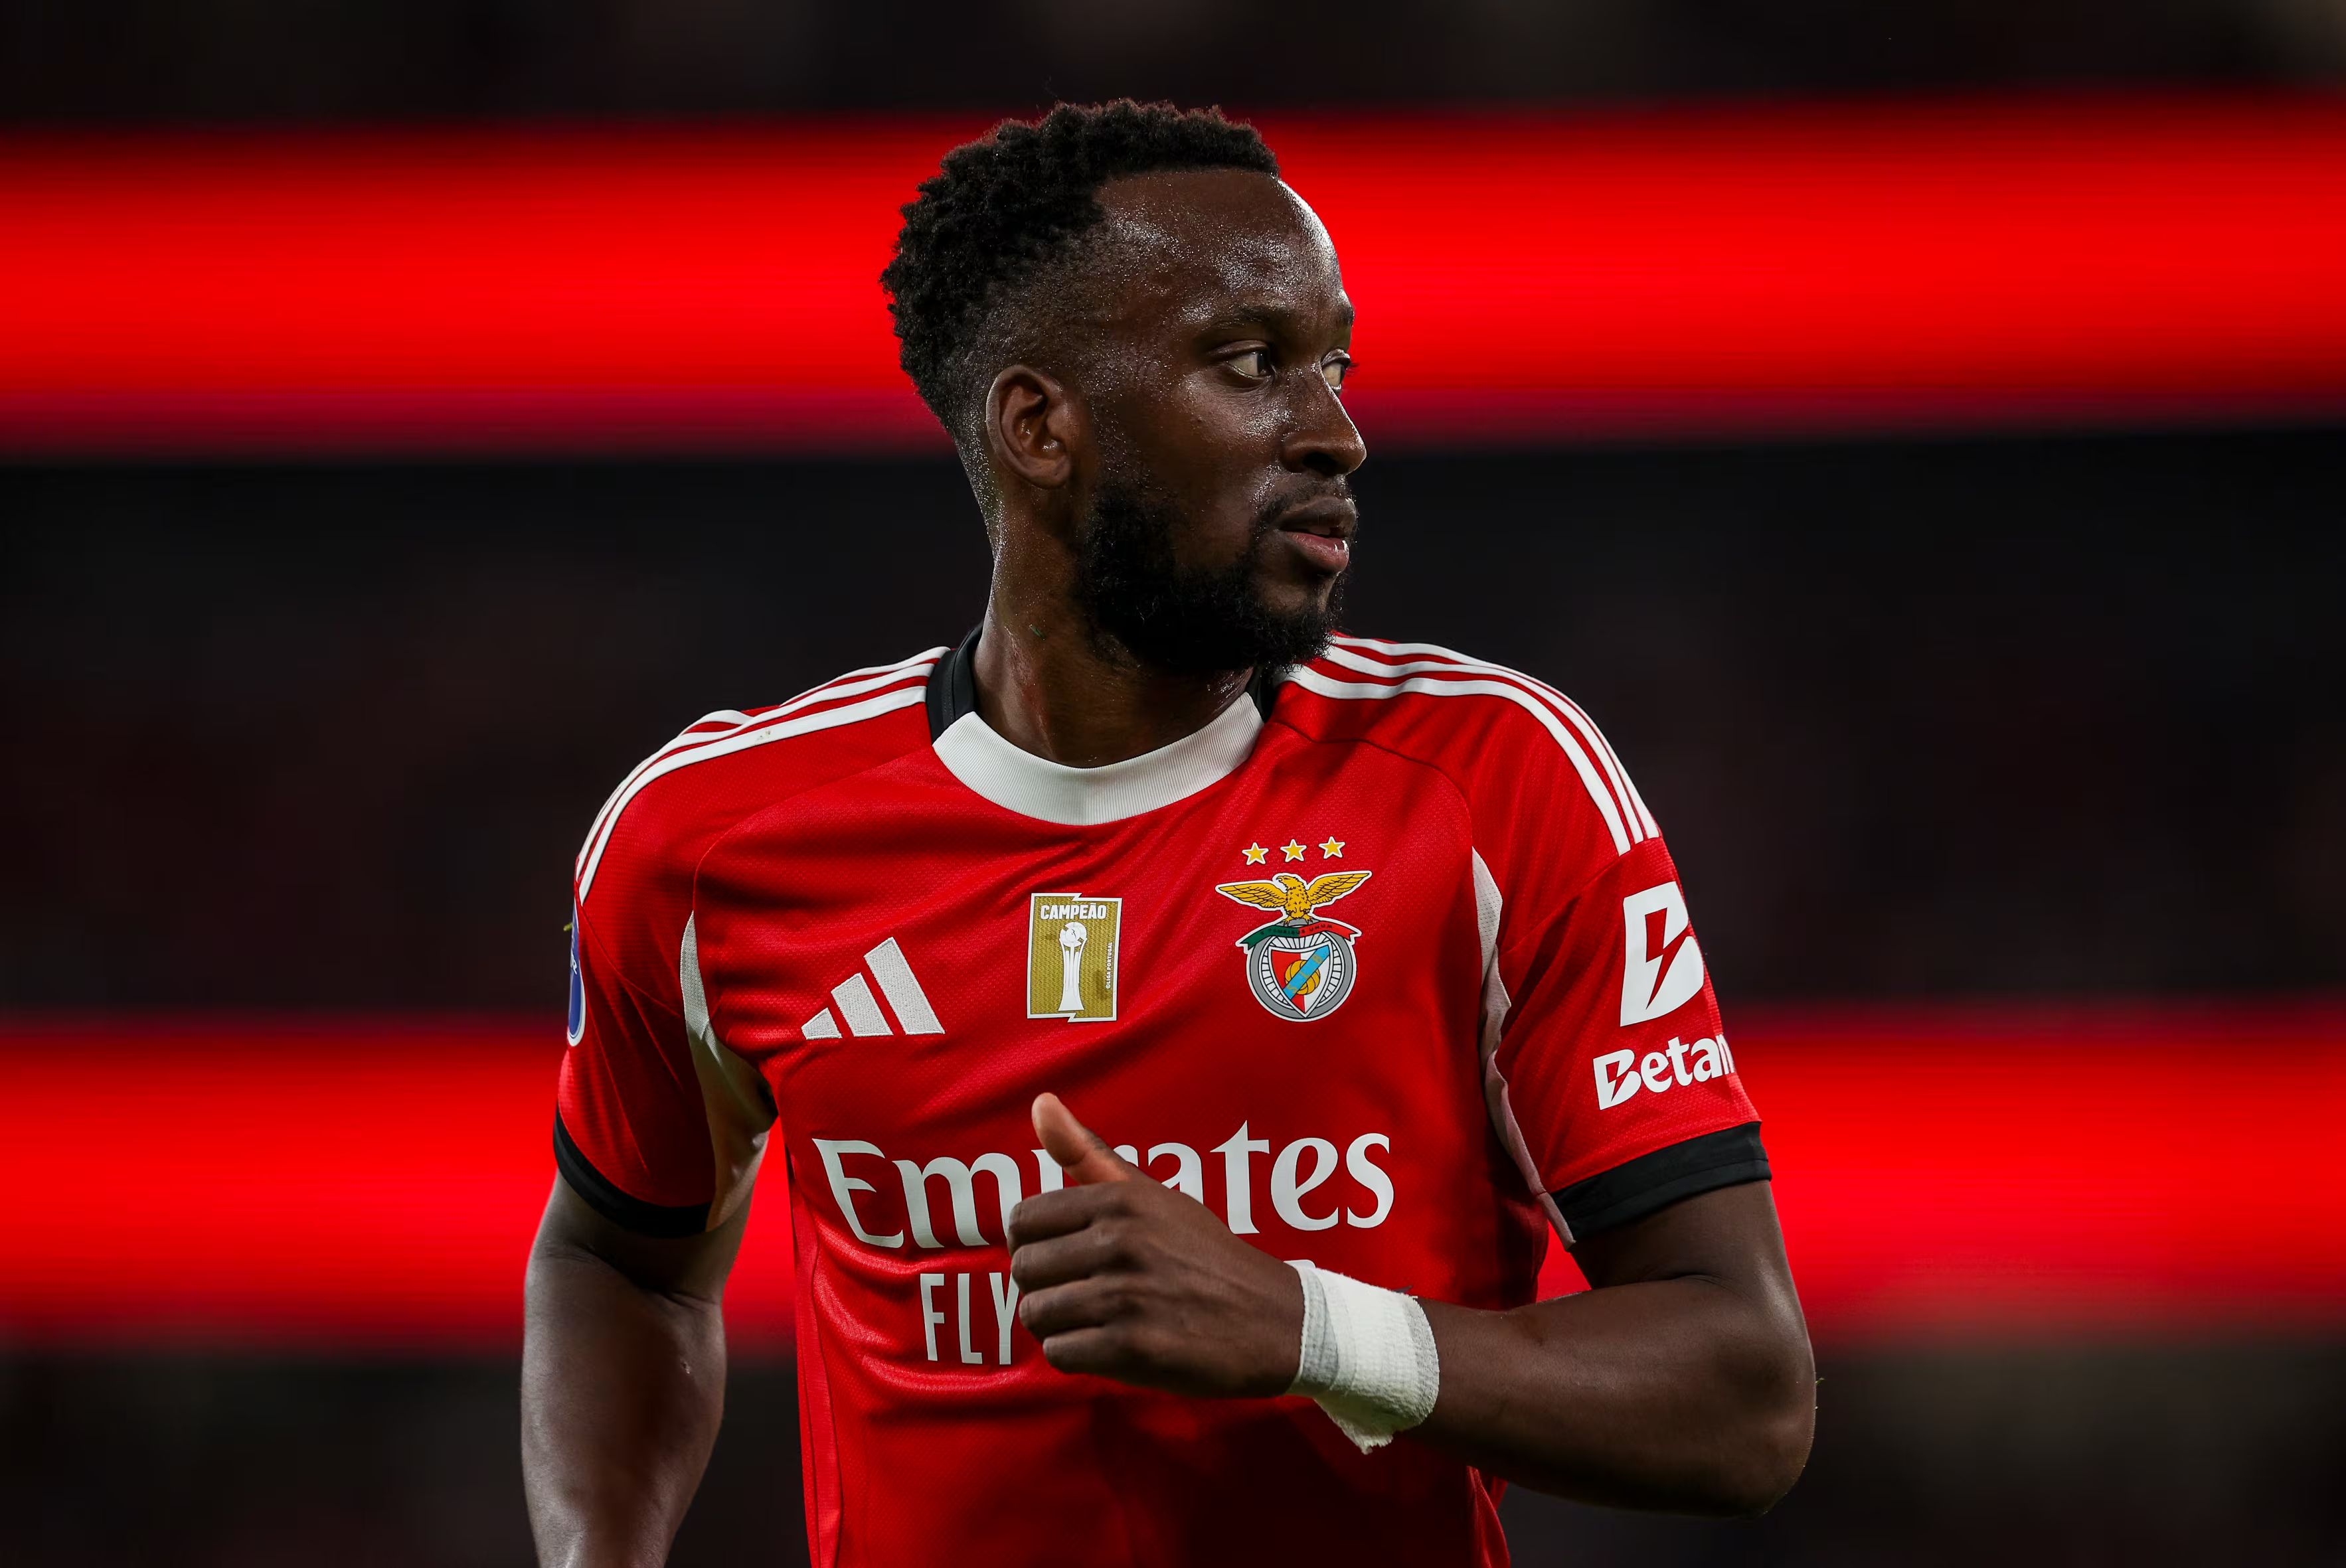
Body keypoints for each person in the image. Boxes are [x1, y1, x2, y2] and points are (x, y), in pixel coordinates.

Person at [523, 100, 1813, 1567]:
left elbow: (1744, 1398)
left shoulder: (1492, 782)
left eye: (1333, 362)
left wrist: (1303, 1323)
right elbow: (619, 1257)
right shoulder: (710, 839)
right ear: (1039, 424)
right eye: (1251, 363)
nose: (1336, 431)